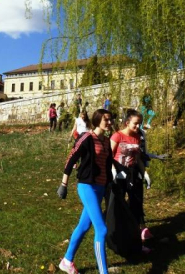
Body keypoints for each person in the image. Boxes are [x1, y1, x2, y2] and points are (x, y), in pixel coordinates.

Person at [57, 109, 113, 274]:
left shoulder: (107, 141)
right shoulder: (87, 137)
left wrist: (110, 184)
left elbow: (107, 164)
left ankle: (67, 261)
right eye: (106, 120)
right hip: (87, 186)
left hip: (101, 188)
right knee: (101, 229)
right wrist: (63, 184)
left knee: (84, 225)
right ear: (97, 121)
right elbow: (71, 158)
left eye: (111, 120)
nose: (110, 122)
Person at [111, 109, 152, 246]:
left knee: (136, 201)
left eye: (139, 124)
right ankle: (118, 231)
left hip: (133, 172)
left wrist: (144, 172)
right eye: (135, 123)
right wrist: (112, 171)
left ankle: (137, 231)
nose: (137, 127)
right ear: (127, 122)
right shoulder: (117, 136)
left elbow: (138, 158)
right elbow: (108, 156)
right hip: (119, 172)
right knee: (120, 202)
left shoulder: (136, 137)